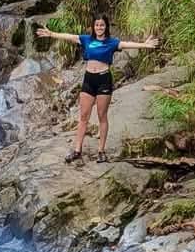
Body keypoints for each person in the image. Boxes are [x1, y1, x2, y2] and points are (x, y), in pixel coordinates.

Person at [35, 15, 159, 163]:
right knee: (83, 116)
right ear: (93, 27)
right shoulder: (87, 39)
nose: (99, 27)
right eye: (97, 25)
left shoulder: (112, 42)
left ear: (106, 27)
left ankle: (101, 151)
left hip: (103, 80)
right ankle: (77, 150)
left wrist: (145, 45)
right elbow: (69, 37)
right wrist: (51, 34)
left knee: (102, 116)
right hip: (89, 80)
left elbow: (127, 44)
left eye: (102, 25)